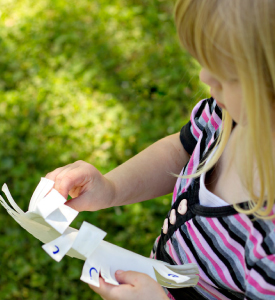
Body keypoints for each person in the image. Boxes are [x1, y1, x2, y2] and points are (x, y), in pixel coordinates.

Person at [46, 0, 275, 299]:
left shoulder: (268, 245)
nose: (205, 78)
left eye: (225, 73)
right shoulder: (226, 118)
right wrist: (112, 188)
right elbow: (180, 151)